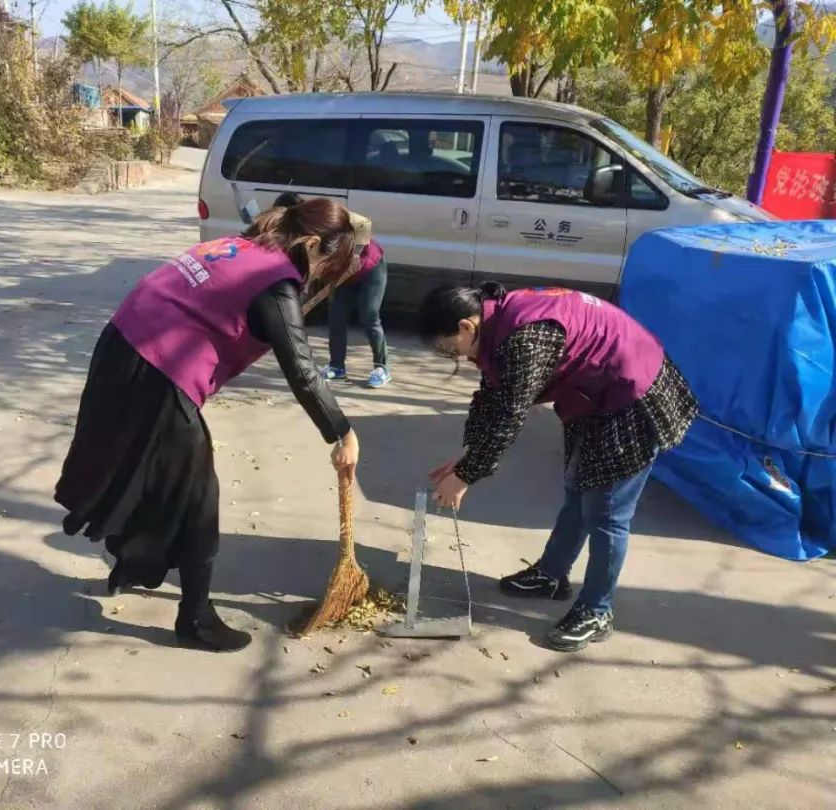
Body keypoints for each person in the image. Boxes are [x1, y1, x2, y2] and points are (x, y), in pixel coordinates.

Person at [55, 198, 362, 653]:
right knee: (198, 497)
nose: (318, 275)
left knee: (141, 473)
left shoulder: (241, 245)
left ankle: (131, 565)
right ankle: (195, 618)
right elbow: (302, 368)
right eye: (324, 262)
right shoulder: (275, 283)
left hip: (121, 346)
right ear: (312, 242)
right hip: (158, 374)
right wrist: (341, 431)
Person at [419, 284, 699, 652]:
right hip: (594, 398)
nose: (450, 354)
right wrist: (470, 452)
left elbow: (510, 413)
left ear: (466, 326)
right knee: (579, 487)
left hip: (632, 396)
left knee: (607, 511)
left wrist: (467, 475)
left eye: (446, 346)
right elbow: (493, 394)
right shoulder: (499, 323)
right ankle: (551, 575)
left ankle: (597, 611)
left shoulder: (525, 337)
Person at [273, 193, 390, 388]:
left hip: (371, 268)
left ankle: (381, 367)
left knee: (369, 316)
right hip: (340, 273)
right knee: (336, 316)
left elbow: (364, 223)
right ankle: (337, 367)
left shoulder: (325, 215)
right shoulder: (297, 231)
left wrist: (356, 254)